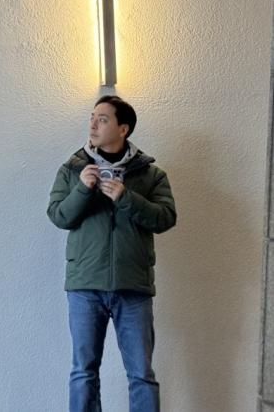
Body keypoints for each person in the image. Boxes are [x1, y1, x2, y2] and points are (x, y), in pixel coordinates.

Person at [47, 95, 176, 412]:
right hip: (85, 286)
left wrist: (126, 197)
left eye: (102, 119)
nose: (93, 124)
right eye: (92, 117)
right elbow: (59, 216)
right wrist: (83, 189)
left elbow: (165, 218)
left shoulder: (151, 175)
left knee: (141, 375)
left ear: (123, 128)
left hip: (133, 288)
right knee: (83, 373)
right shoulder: (72, 170)